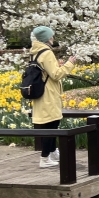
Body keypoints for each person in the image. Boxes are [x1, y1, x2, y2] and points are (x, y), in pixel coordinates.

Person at [29, 25, 76, 168]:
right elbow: (56, 75)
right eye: (51, 35)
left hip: (41, 94)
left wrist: (58, 65)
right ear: (47, 38)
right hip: (48, 95)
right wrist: (69, 64)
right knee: (51, 125)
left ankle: (52, 152)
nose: (53, 37)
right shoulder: (47, 53)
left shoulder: (35, 52)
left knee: (50, 124)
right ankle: (44, 158)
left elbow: (47, 71)